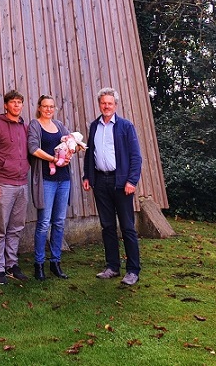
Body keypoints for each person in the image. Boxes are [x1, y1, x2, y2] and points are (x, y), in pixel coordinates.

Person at [81, 87, 142, 286]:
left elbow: (136, 157)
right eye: (103, 103)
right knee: (107, 226)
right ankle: (112, 267)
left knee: (127, 227)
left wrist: (132, 181)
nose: (106, 106)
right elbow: (90, 153)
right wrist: (87, 175)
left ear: (115, 105)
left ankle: (133, 270)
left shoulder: (126, 126)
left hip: (121, 183)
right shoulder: (94, 126)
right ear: (99, 104)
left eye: (110, 103)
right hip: (100, 182)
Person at [0, 90, 30, 284]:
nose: (16, 105)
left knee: (16, 227)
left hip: (22, 184)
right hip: (3, 184)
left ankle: (11, 265)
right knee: (0, 227)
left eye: (19, 102)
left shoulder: (25, 128)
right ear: (6, 105)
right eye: (13, 102)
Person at [27, 94, 74, 281]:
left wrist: (73, 149)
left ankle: (55, 262)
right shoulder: (35, 125)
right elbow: (33, 149)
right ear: (39, 107)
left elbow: (71, 142)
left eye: (51, 106)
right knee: (43, 223)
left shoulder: (60, 125)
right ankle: (39, 264)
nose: (48, 109)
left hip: (64, 180)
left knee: (59, 222)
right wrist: (54, 159)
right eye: (45, 106)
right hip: (46, 180)